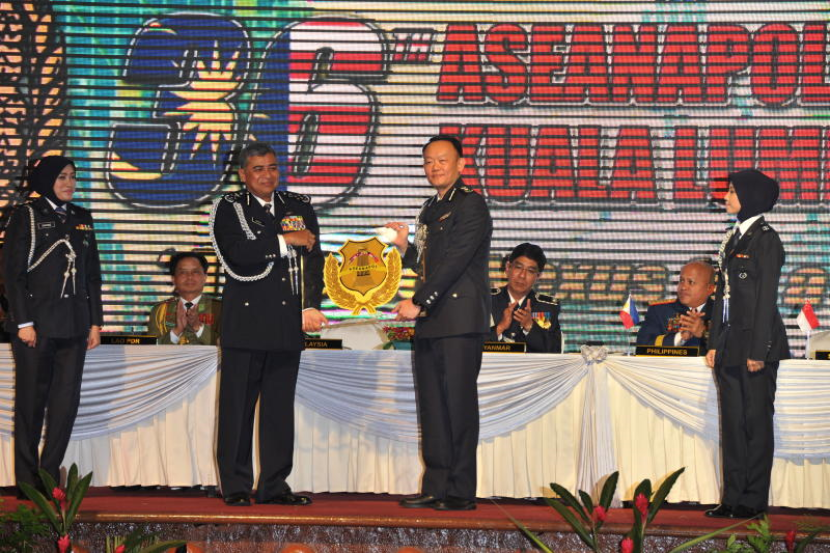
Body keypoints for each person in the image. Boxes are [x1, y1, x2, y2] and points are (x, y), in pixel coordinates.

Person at [209, 141, 327, 507]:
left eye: (272, 167)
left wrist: (310, 305)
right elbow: (237, 255)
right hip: (246, 324)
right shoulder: (229, 207)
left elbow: (314, 260)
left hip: (286, 322)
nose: (267, 175)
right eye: (258, 169)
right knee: (237, 410)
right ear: (243, 174)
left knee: (278, 411)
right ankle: (235, 486)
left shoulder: (297, 205)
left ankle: (274, 485)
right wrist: (284, 240)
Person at [387, 135, 492, 511]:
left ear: (461, 164)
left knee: (458, 406)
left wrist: (418, 301)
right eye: (429, 161)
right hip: (432, 319)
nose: (434, 167)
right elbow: (428, 264)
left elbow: (456, 261)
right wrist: (405, 248)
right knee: (432, 406)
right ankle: (435, 485)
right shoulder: (430, 207)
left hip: (459, 319)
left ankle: (461, 490)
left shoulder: (471, 204)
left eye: (442, 160)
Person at [3, 155, 102, 494]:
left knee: (65, 405)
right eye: (62, 177)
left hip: (74, 326)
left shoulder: (82, 218)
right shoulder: (26, 215)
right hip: (36, 326)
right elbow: (13, 274)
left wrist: (95, 323)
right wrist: (23, 322)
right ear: (46, 180)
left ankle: (47, 478)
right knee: (30, 405)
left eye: (73, 176)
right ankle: (26, 481)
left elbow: (92, 275)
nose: (69, 183)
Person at [704, 169, 790, 519]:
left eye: (731, 191)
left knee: (755, 424)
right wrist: (713, 342)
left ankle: (752, 501)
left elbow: (766, 299)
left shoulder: (767, 240)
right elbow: (722, 296)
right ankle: (731, 498)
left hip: (756, 346)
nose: (725, 197)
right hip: (729, 345)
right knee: (732, 425)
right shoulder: (733, 238)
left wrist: (758, 351)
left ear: (750, 196)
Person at [490, 243, 561, 353]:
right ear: (508, 267)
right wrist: (499, 328)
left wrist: (530, 326)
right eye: (518, 268)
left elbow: (554, 350)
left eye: (530, 271)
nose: (522, 276)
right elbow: (469, 343)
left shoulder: (545, 307)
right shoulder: (486, 301)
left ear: (538, 276)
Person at [636, 261, 715, 351]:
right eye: (681, 280)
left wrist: (704, 334)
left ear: (709, 288)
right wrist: (680, 337)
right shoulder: (660, 311)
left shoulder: (722, 312)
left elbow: (728, 348)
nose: (683, 287)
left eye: (691, 282)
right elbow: (642, 346)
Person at [148, 252, 222, 345]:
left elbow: (229, 345)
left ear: (205, 277)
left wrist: (198, 327)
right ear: (173, 279)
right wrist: (176, 332)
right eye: (183, 272)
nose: (189, 276)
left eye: (195, 272)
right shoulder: (160, 311)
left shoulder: (221, 309)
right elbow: (151, 348)